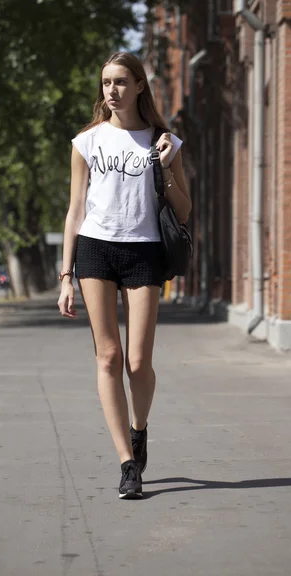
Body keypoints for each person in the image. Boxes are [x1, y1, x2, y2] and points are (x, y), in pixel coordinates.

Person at [57, 52, 191, 499]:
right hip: (95, 250)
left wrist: (167, 167)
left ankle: (140, 427)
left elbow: (185, 209)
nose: (110, 91)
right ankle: (127, 463)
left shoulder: (162, 139)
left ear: (138, 86)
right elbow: (76, 210)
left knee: (138, 363)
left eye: (119, 82)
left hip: (144, 252)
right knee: (108, 358)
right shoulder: (87, 142)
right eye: (105, 83)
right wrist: (65, 275)